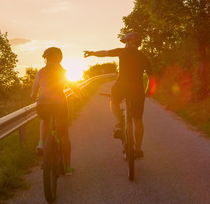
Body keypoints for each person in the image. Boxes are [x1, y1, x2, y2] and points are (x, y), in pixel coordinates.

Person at [83, 32, 156, 158]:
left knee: (114, 101)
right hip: (137, 90)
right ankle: (138, 150)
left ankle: (118, 124)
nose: (125, 44)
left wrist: (92, 53)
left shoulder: (122, 52)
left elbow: (105, 53)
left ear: (130, 42)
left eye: (126, 42)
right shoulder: (144, 57)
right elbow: (151, 78)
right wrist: (149, 89)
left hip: (121, 87)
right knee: (138, 121)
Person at [31, 47, 83, 175]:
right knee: (64, 135)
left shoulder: (40, 72)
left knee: (44, 119)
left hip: (42, 104)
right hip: (59, 104)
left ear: (45, 58)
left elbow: (33, 93)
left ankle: (41, 143)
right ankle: (67, 166)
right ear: (60, 58)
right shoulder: (63, 72)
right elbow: (74, 87)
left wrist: (35, 96)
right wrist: (80, 97)